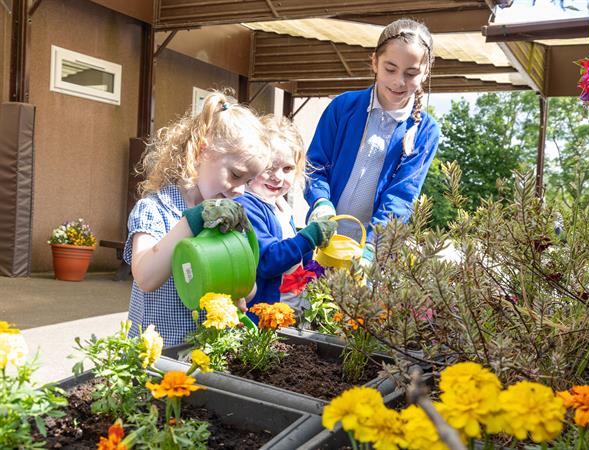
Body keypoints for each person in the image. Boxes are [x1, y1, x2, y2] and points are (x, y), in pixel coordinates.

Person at [123, 90, 270, 346]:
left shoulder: (224, 220)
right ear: (202, 152)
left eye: (248, 181)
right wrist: (193, 220)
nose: (240, 190)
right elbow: (145, 277)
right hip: (157, 356)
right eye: (236, 175)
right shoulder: (155, 209)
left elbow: (249, 290)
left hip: (206, 353)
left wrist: (237, 285)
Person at [305, 19, 440, 266]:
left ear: (426, 72)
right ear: (375, 62)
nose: (399, 81)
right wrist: (320, 201)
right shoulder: (343, 107)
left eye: (411, 74)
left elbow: (402, 196)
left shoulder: (426, 131)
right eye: (390, 69)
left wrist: (372, 247)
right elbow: (315, 165)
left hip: (371, 253)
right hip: (321, 241)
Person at [236, 115, 337, 323]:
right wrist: (308, 237)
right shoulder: (245, 205)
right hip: (262, 320)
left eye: (288, 168)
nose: (278, 177)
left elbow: (296, 259)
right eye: (269, 167)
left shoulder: (280, 206)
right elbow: (266, 261)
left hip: (289, 313)